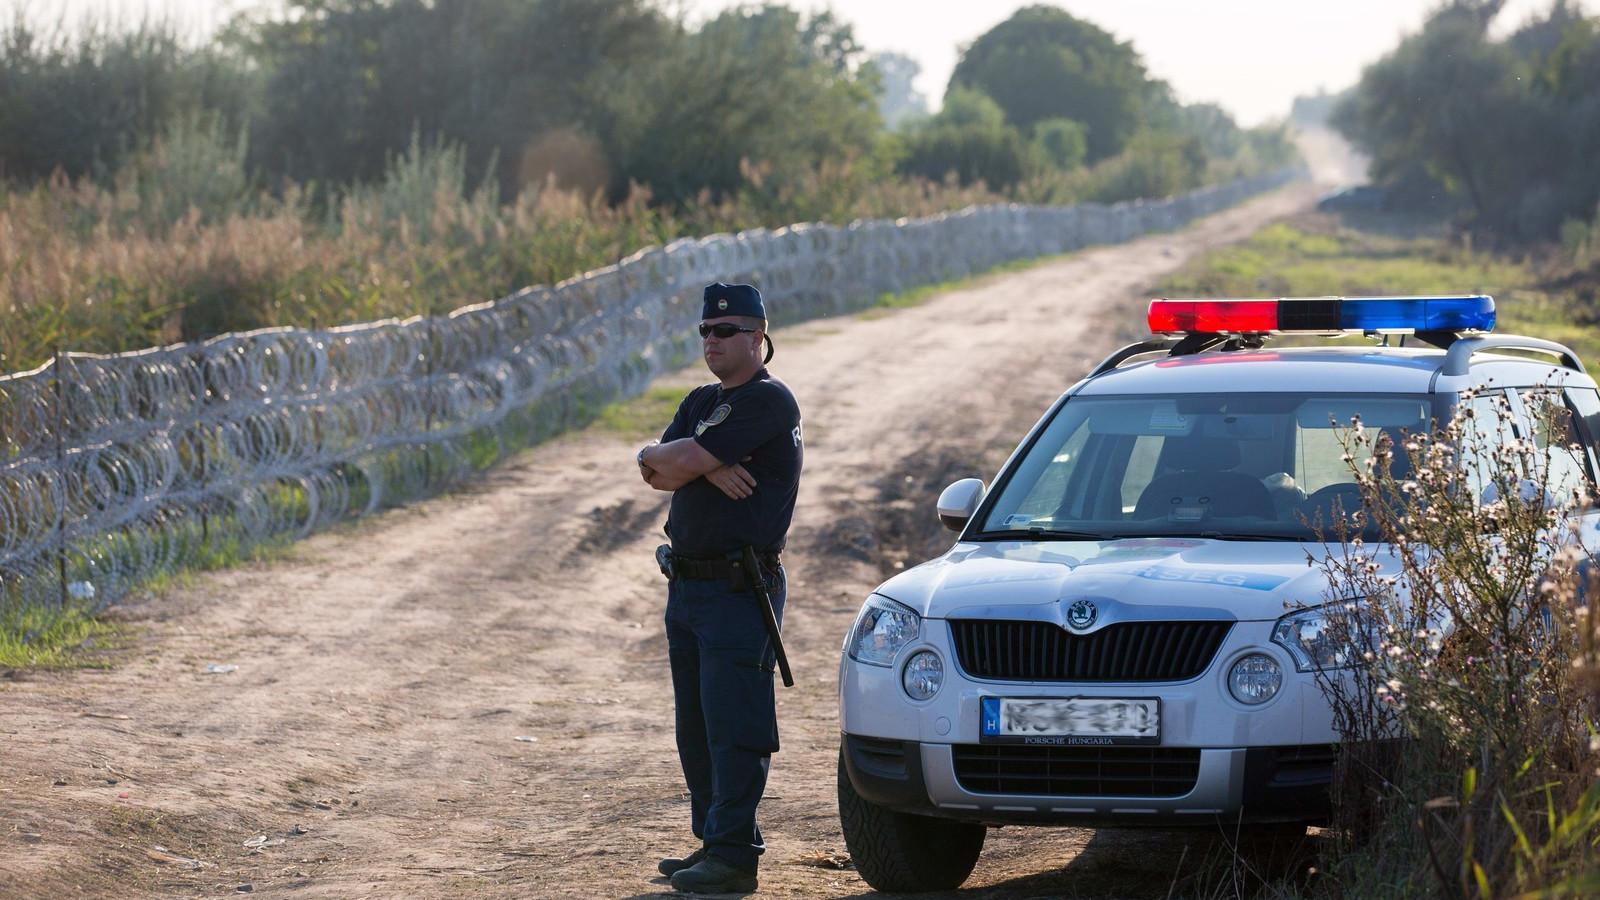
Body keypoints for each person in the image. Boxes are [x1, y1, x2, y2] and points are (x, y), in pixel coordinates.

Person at [636, 282, 803, 894]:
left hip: (739, 588)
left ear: (759, 336)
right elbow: (657, 471)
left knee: (735, 725)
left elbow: (672, 466)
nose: (713, 341)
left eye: (727, 331)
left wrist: (687, 458)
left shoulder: (768, 401)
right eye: (706, 331)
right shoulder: (702, 400)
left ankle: (734, 856)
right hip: (688, 588)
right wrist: (701, 457)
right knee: (697, 725)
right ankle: (713, 840)